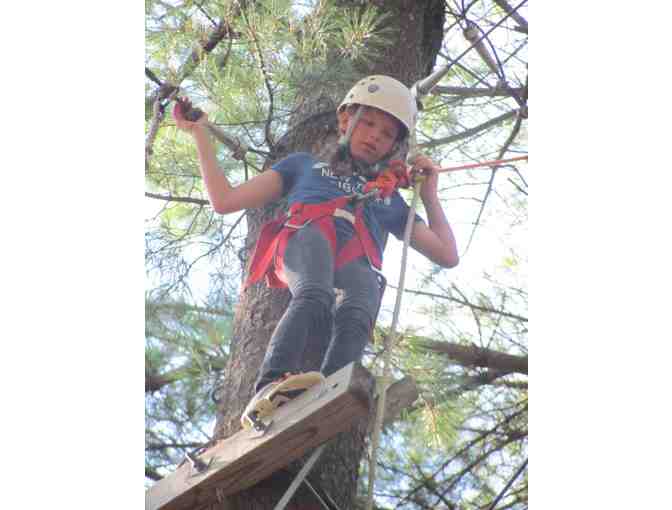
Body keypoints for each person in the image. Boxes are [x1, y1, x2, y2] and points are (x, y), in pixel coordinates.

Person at [174, 75, 459, 431]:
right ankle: (269, 386)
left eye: (387, 134)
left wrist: (429, 195)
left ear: (393, 147)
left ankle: (333, 389)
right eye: (368, 123)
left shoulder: (386, 197)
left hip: (354, 254)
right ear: (345, 120)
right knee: (315, 293)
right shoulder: (303, 166)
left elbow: (446, 254)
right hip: (308, 235)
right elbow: (224, 200)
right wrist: (200, 134)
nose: (375, 136)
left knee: (362, 301)